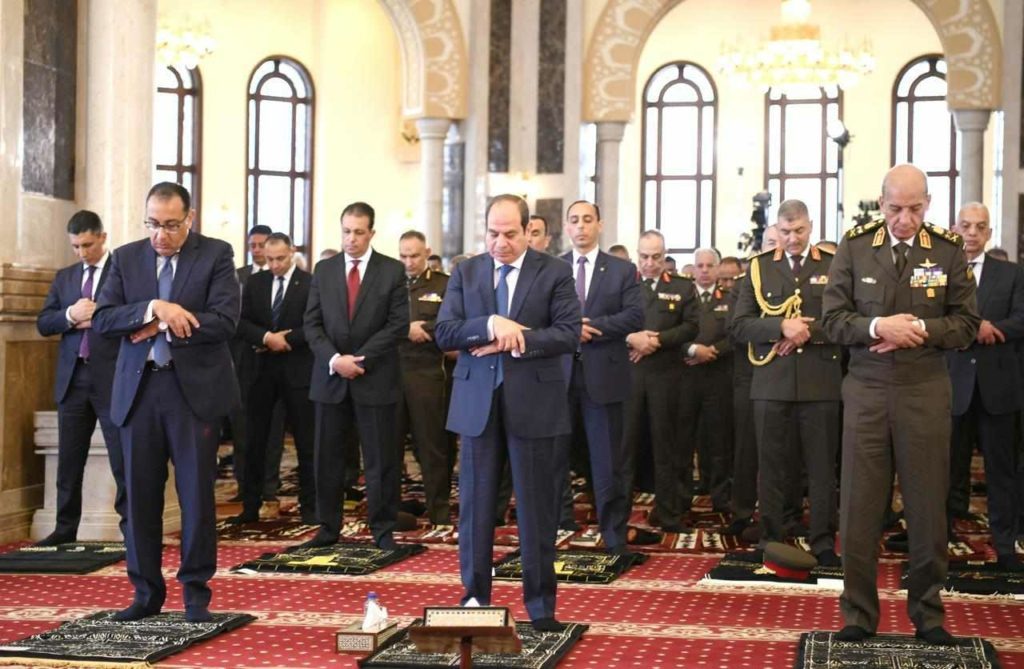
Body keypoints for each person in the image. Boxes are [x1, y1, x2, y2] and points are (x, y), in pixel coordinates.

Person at [822, 164, 979, 644]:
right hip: (867, 389)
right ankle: (857, 613)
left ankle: (928, 614)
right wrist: (877, 327)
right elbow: (832, 319)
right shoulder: (854, 246)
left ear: (928, 204)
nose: (904, 219)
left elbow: (967, 324)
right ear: (881, 203)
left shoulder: (947, 251)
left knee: (927, 507)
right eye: (895, 209)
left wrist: (919, 330)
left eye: (914, 209)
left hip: (924, 389)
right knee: (859, 506)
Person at [93, 182, 240, 622]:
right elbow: (103, 319)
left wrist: (160, 325)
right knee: (138, 498)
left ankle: (195, 594)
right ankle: (145, 593)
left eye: (172, 225)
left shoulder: (215, 254)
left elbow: (225, 321)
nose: (161, 235)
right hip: (139, 392)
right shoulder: (125, 258)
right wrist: (155, 307)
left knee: (195, 496)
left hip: (192, 392)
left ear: (189, 219)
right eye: (153, 224)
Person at [435, 194, 579, 631]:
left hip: (533, 403)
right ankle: (475, 597)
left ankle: (541, 606)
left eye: (510, 234)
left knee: (535, 509)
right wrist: (490, 325)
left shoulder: (554, 271)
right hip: (477, 404)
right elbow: (445, 331)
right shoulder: (466, 271)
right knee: (475, 509)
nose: (500, 243)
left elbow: (568, 334)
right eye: (493, 233)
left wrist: (517, 338)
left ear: (528, 231)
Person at [732, 199, 842, 566]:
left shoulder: (833, 264)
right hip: (772, 380)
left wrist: (803, 333)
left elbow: (845, 321)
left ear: (811, 226)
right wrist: (780, 326)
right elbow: (740, 325)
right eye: (785, 232)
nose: (793, 239)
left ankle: (822, 541)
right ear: (776, 231)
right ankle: (770, 537)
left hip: (820, 380)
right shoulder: (759, 268)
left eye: (799, 231)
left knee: (822, 467)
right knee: (771, 465)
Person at [301, 202, 408, 550]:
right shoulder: (325, 269)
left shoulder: (391, 271)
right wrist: (335, 360)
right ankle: (328, 527)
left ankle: (383, 529)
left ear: (371, 233)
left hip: (374, 377)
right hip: (330, 378)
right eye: (346, 231)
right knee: (327, 459)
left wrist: (359, 360)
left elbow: (397, 325)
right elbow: (311, 323)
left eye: (359, 232)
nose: (351, 239)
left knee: (380, 460)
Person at [35, 210, 127, 546]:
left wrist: (98, 319)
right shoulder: (65, 277)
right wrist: (70, 315)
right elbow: (44, 323)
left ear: (102, 237)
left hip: (112, 379)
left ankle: (132, 530)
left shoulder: (122, 272)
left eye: (87, 244)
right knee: (69, 462)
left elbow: (132, 316)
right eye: (75, 246)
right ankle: (64, 530)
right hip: (73, 381)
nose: (81, 252)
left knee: (123, 459)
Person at [560, 200, 645, 554]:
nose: (581, 226)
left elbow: (634, 317)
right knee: (554, 457)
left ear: (600, 224)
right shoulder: (552, 268)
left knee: (608, 461)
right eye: (574, 220)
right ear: (567, 227)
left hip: (604, 376)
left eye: (587, 220)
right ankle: (557, 527)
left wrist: (591, 327)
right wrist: (569, 330)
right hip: (558, 378)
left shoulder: (622, 270)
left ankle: (613, 534)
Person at [946, 202, 1024, 570]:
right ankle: (942, 538)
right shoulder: (939, 273)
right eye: (966, 226)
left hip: (998, 386)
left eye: (980, 227)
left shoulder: (1011, 273)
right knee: (948, 469)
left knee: (1001, 470)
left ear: (989, 233)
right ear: (954, 230)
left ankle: (1005, 543)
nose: (972, 233)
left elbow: (1021, 318)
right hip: (952, 386)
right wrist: (970, 329)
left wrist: (995, 329)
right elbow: (932, 319)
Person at [228, 233, 316, 526]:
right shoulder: (256, 283)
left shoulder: (310, 282)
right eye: (269, 259)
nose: (275, 265)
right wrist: (266, 337)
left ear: (292, 252)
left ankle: (310, 507)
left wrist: (286, 340)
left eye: (280, 258)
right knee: (254, 441)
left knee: (306, 442)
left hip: (298, 370)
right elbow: (241, 322)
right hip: (260, 371)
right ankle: (251, 505)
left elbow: (315, 324)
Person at [623, 230, 699, 533]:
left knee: (666, 448)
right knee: (625, 449)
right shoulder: (624, 284)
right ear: (637, 255)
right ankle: (618, 516)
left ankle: (669, 514)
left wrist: (658, 341)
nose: (650, 263)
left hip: (666, 377)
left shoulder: (681, 286)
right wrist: (633, 340)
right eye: (644, 256)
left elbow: (692, 326)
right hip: (629, 375)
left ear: (665, 256)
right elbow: (611, 322)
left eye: (656, 257)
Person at [396, 230, 453, 525]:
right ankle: (393, 508)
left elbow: (450, 321)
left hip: (427, 373)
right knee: (389, 446)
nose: (409, 262)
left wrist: (425, 329)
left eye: (415, 256)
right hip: (392, 373)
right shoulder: (390, 283)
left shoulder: (443, 284)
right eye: (403, 256)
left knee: (431, 446)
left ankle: (439, 510)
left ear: (427, 253)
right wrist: (405, 329)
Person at [228, 224, 278, 503]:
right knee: (243, 427)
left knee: (272, 429)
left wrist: (270, 339)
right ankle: (244, 485)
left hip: (278, 360)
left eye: (262, 245)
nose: (257, 250)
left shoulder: (285, 275)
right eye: (253, 246)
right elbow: (232, 317)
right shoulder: (238, 276)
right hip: (244, 359)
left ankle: (269, 485)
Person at [681, 248, 733, 512]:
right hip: (686, 377)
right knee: (684, 438)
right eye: (699, 265)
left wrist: (713, 351)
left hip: (718, 376)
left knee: (718, 439)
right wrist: (692, 350)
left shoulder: (730, 298)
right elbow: (671, 331)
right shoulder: (683, 296)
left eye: (709, 265)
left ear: (718, 268)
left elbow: (737, 333)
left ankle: (721, 495)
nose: (704, 270)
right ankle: (683, 496)